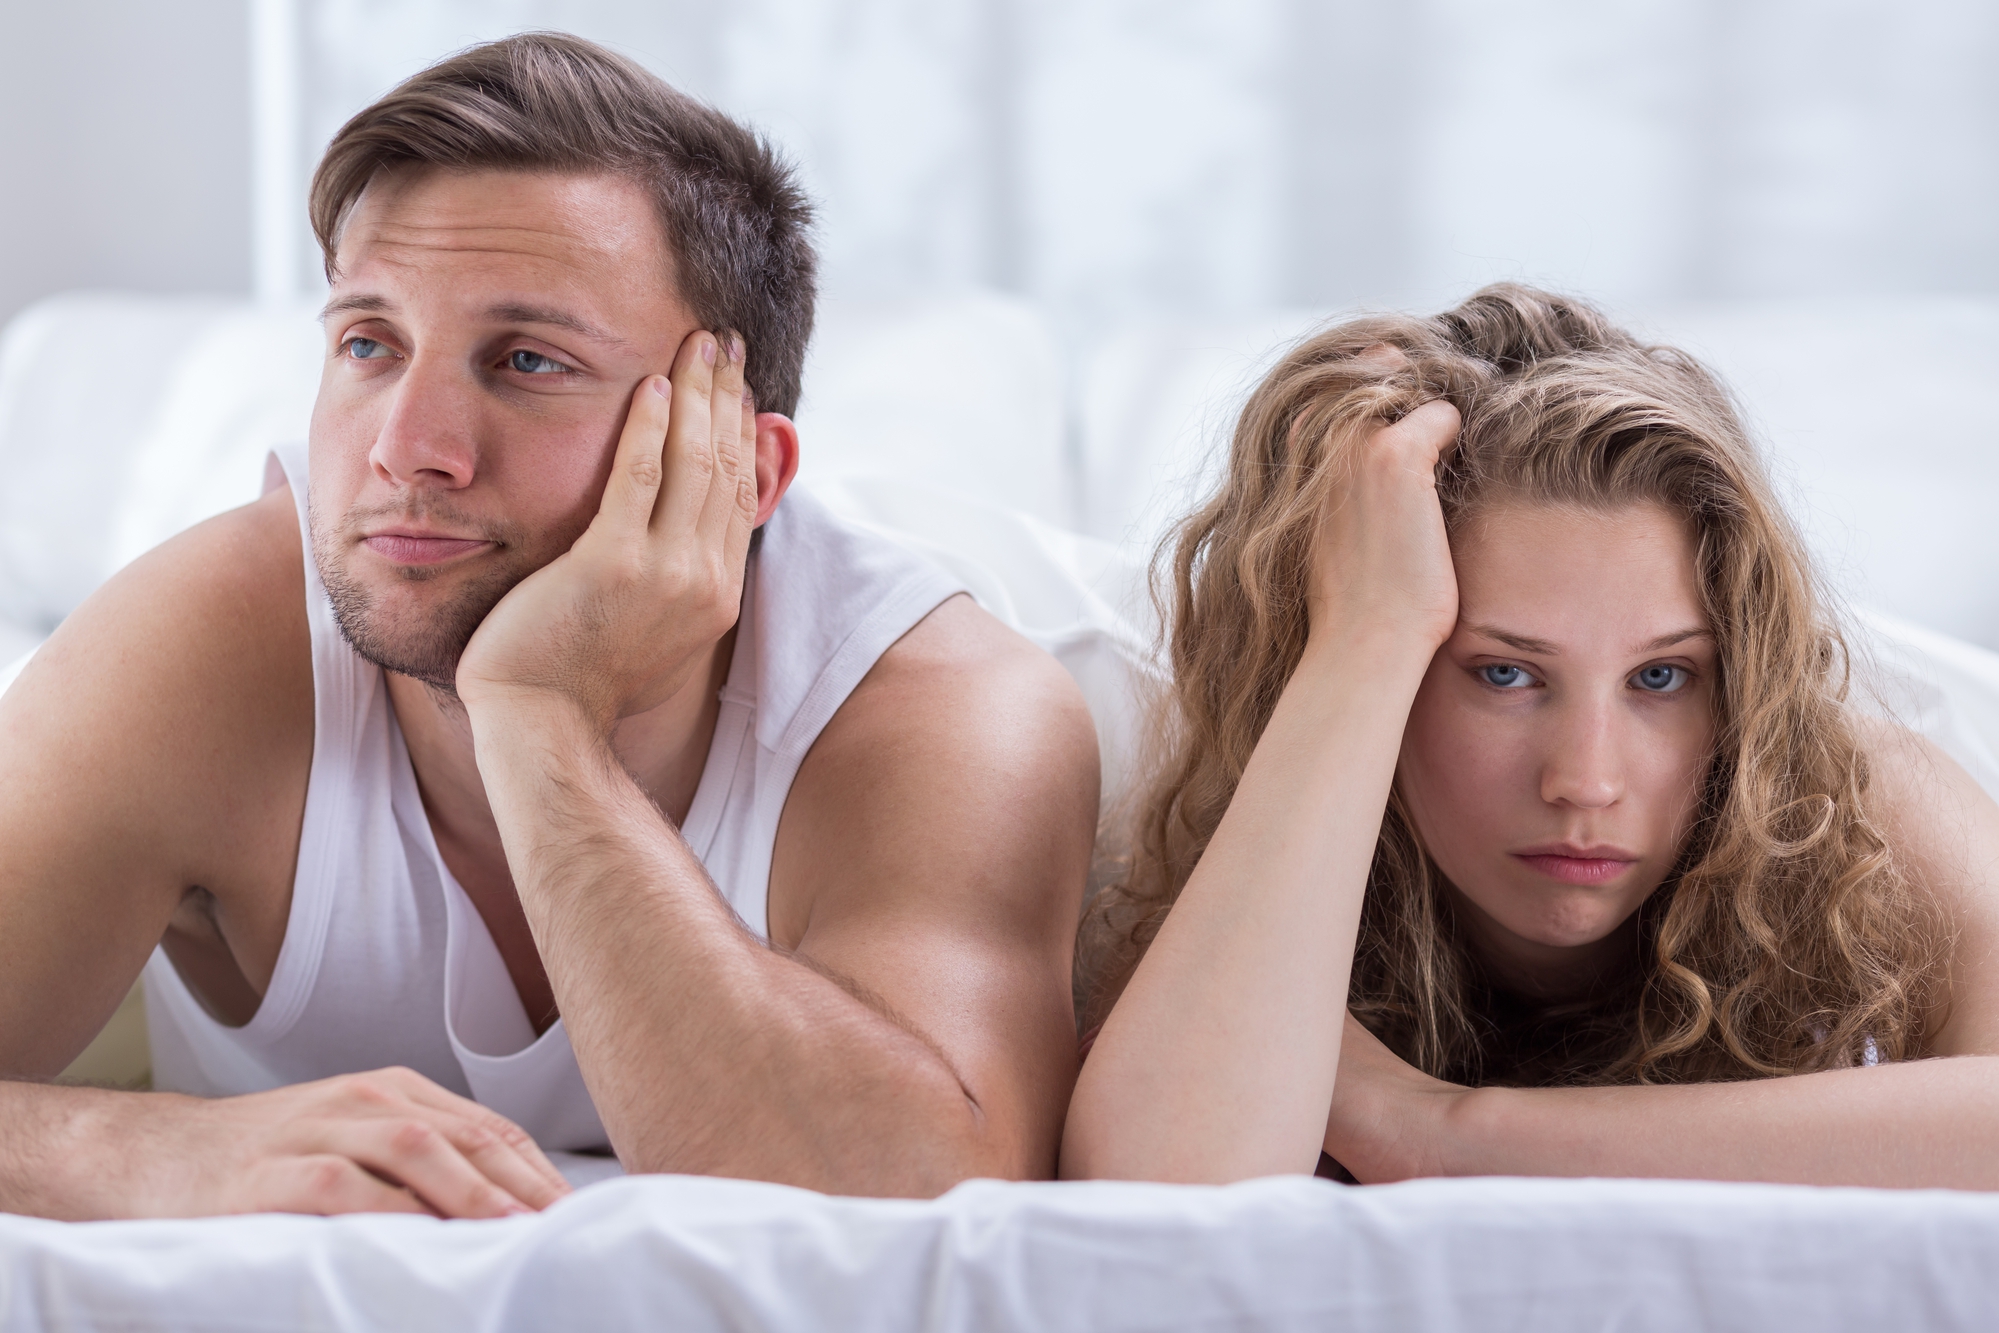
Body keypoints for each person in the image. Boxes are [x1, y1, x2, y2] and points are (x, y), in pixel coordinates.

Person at [0, 33, 1098, 1220]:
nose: (403, 446)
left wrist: (536, 714)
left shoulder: (936, 704)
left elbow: (932, 1204)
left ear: (740, 465)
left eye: (528, 360)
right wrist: (154, 1154)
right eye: (368, 344)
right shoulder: (203, 640)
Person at [1062, 284, 1999, 1188]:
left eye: (1661, 677)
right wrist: (1365, 635)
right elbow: (1157, 1199)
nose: (1585, 783)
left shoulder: (1855, 803)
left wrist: (1443, 1133)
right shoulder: (1247, 839)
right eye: (1504, 674)